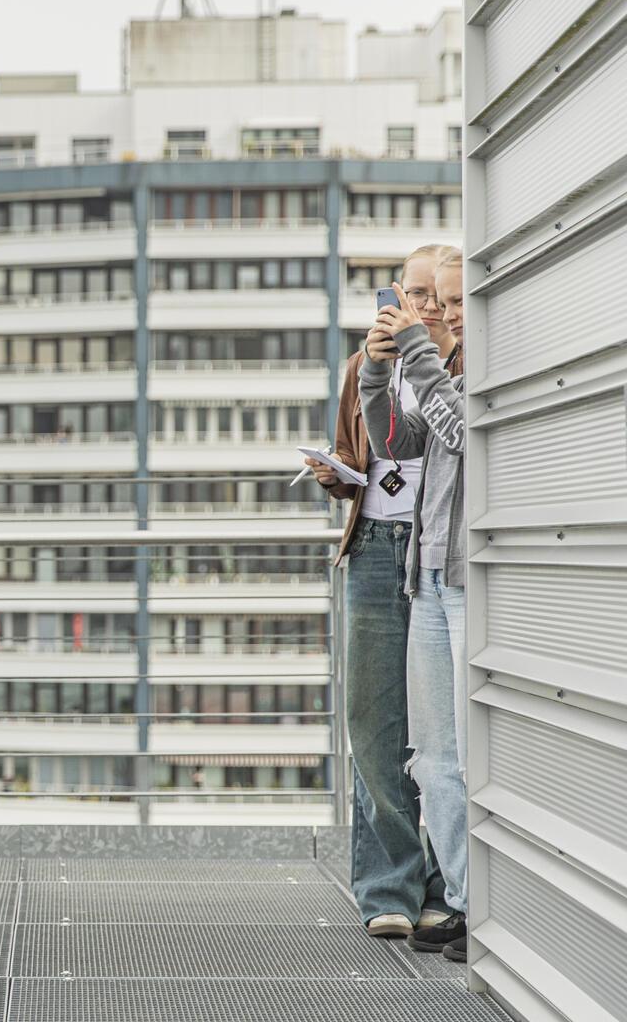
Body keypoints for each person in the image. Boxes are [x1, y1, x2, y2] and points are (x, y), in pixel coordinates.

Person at [307, 245, 460, 940]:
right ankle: (388, 888)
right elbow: (374, 445)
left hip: (433, 554)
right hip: (374, 545)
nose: (427, 307)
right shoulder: (365, 365)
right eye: (416, 293)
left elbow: (440, 446)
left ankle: (441, 882)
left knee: (438, 737)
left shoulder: (454, 362)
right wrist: (337, 474)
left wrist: (420, 352)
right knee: (376, 726)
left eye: (439, 296)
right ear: (397, 292)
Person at [358, 251, 470, 962]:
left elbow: (466, 434)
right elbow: (397, 444)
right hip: (425, 577)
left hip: (466, 580)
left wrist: (423, 352)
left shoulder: (478, 366)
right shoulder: (443, 366)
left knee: (471, 752)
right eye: (431, 300)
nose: (442, 312)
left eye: (455, 301)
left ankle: (481, 899)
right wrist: (376, 370)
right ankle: (461, 900)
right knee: (434, 760)